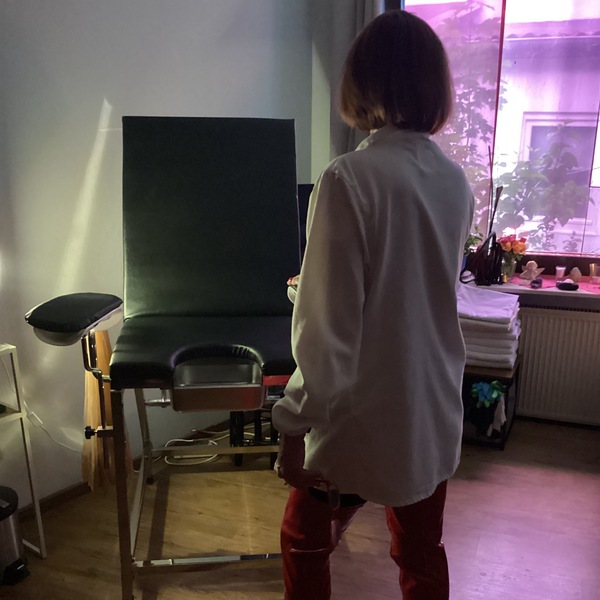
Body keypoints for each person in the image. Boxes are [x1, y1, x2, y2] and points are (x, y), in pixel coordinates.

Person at [271, 9, 474, 600]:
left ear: (360, 82)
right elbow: (413, 289)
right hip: (430, 408)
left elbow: (328, 336)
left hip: (360, 416)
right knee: (421, 554)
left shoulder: (348, 179)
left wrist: (291, 425)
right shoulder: (455, 181)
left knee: (303, 543)